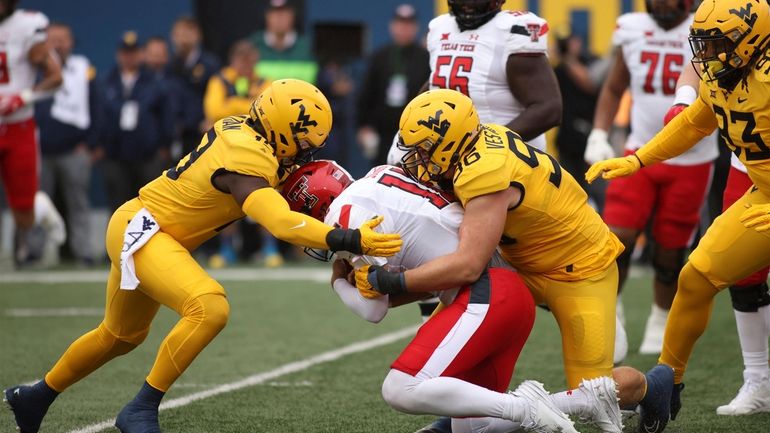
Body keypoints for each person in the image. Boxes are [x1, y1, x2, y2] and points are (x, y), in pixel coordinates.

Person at [2, 79, 403, 433]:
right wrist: (349, 238)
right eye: (304, 143)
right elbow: (279, 222)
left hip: (149, 229)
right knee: (209, 307)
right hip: (144, 231)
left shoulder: (242, 129)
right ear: (282, 128)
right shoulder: (246, 156)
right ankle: (141, 408)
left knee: (120, 335)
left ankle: (35, 397)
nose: (304, 153)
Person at [360, 89, 672, 433]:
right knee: (449, 340)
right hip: (519, 262)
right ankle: (459, 421)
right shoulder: (477, 138)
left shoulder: (484, 173)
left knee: (594, 392)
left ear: (451, 144)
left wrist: (392, 284)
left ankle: (651, 386)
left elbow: (468, 265)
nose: (416, 159)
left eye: (424, 150)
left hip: (579, 269)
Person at [282, 160, 584, 433]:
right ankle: (580, 402)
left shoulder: (343, 214)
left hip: (486, 295)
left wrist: (337, 281)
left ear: (315, 207)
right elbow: (424, 277)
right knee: (474, 427)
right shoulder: (380, 174)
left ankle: (526, 406)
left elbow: (372, 311)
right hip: (509, 296)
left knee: (400, 389)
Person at [585, 0, 770, 430]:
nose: (707, 55)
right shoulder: (724, 73)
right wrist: (638, 161)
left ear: (753, 41)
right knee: (696, 277)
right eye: (703, 45)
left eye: (718, 44)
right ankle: (668, 386)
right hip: (761, 196)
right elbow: (693, 123)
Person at [585, 0, 718, 358]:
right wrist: (599, 132)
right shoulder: (631, 27)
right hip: (639, 152)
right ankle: (610, 312)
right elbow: (615, 87)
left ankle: (660, 318)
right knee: (616, 238)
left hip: (692, 158)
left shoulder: (707, 24)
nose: (660, 2)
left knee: (670, 249)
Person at [665, 62, 770, 416]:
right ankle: (758, 378)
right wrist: (684, 101)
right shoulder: (732, 22)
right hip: (750, 161)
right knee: (742, 275)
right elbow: (698, 63)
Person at [0, 0, 62, 265]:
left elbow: (55, 78)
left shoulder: (27, 26)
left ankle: (40, 207)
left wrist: (23, 97)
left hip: (18, 127)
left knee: (23, 218)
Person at [35, 21, 100, 267]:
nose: (59, 44)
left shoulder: (84, 70)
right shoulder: (33, 69)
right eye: (53, 38)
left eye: (63, 38)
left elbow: (97, 107)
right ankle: (32, 252)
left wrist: (90, 143)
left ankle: (83, 251)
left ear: (71, 42)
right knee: (36, 203)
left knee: (78, 202)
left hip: (75, 150)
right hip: (39, 149)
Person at [100, 31, 175, 211]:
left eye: (133, 52)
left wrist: (166, 145)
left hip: (148, 155)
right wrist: (100, 144)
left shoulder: (154, 82)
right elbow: (100, 115)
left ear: (141, 54)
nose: (129, 57)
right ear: (118, 54)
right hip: (115, 156)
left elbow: (166, 115)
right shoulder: (107, 81)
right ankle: (119, 239)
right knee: (119, 206)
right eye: (125, 53)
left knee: (150, 206)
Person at [356, 4, 431, 166]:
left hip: (414, 131)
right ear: (392, 26)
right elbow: (367, 93)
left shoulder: (425, 58)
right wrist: (364, 126)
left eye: (409, 24)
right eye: (400, 24)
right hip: (383, 131)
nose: (404, 29)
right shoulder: (379, 56)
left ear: (416, 27)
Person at [170, 16, 220, 155]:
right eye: (179, 34)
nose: (183, 39)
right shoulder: (171, 65)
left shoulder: (210, 64)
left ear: (197, 35)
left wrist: (210, 120)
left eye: (187, 33)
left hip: (201, 130)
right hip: (177, 132)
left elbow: (216, 94)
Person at [249, 0, 316, 83]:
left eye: (284, 13)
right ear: (266, 16)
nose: (279, 18)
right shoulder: (253, 45)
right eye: (274, 13)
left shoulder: (308, 47)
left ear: (293, 16)